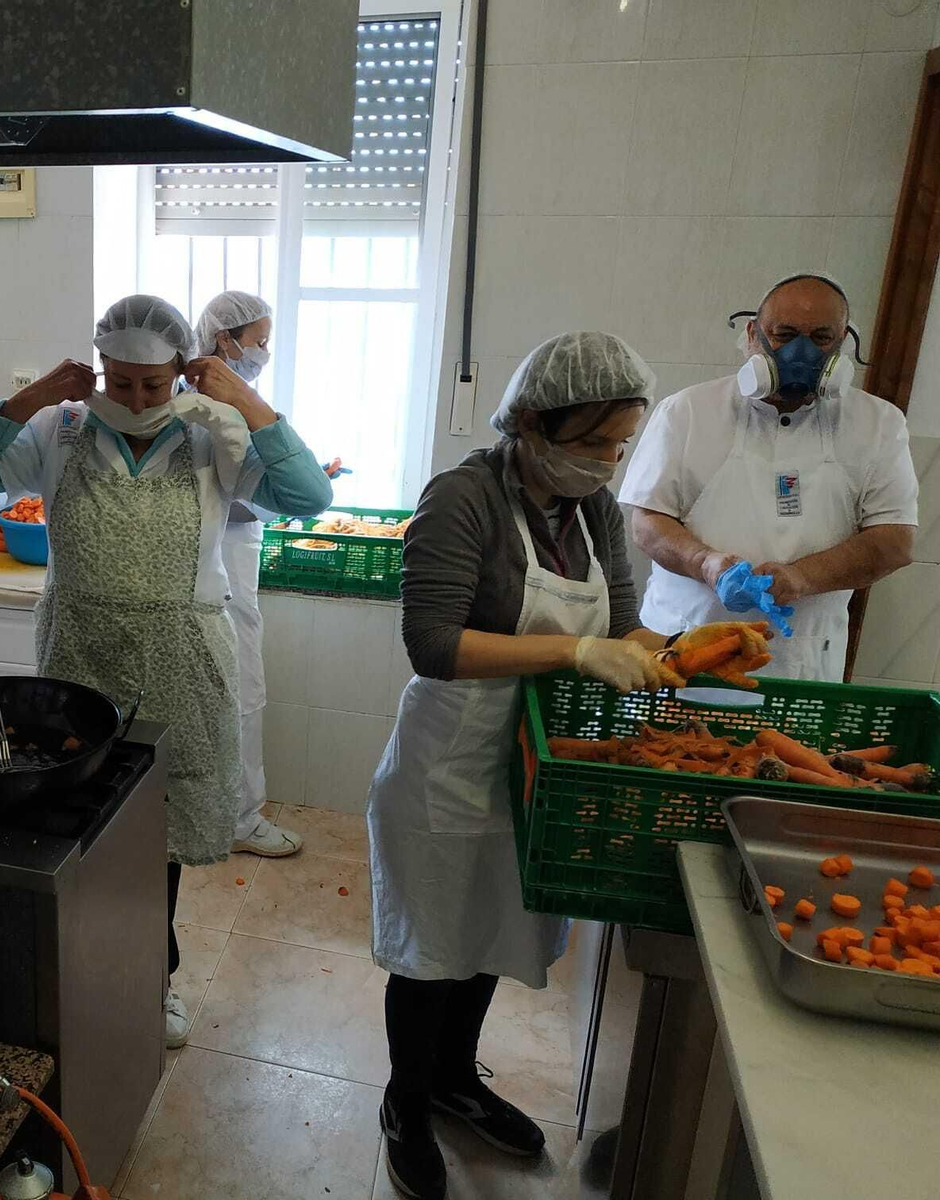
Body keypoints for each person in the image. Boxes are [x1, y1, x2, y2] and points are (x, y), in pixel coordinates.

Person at [367, 332, 759, 1200]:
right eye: (593, 444)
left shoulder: (596, 514)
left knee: (491, 935)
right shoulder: (461, 499)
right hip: (449, 761)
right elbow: (430, 644)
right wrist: (572, 653)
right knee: (432, 946)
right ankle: (405, 1101)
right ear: (536, 423)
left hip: (538, 760)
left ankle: (457, 1081)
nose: (607, 463)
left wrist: (693, 649)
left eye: (620, 445)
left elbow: (622, 628)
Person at [0, 294, 333, 1049]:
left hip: (181, 653)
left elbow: (309, 497)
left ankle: (155, 980)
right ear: (99, 370)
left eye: (153, 384)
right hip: (78, 653)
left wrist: (246, 399)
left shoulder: (213, 434)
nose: (138, 399)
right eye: (121, 383)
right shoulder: (60, 428)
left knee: (159, 838)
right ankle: (75, 971)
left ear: (182, 371)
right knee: (73, 823)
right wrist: (31, 397)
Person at [620, 273, 918, 681]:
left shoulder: (879, 424)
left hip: (802, 662)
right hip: (680, 643)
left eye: (821, 338)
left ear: (843, 342)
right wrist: (706, 564)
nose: (801, 352)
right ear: (752, 334)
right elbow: (647, 522)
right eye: (785, 334)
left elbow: (894, 542)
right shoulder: (687, 412)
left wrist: (801, 577)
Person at [194, 289, 304, 857]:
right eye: (258, 340)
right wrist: (275, 494)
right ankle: (236, 819)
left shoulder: (234, 401)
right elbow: (216, 495)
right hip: (218, 570)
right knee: (237, 687)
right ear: (224, 340)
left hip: (234, 565)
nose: (263, 351)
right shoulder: (199, 406)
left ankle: (234, 813)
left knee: (241, 686)